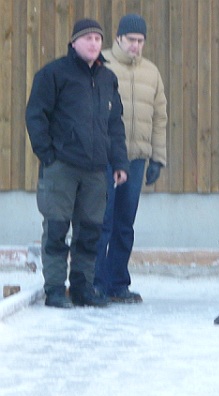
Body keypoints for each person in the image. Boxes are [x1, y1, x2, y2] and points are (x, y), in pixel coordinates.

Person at [25, 19, 129, 308]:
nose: (94, 43)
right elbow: (36, 116)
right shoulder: (53, 74)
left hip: (96, 170)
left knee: (90, 232)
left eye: (98, 38)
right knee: (57, 230)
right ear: (73, 42)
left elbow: (115, 124)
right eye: (87, 38)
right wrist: (48, 155)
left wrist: (119, 162)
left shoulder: (108, 78)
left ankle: (83, 289)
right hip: (62, 166)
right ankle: (55, 290)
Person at [94, 14, 168, 303]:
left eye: (140, 41)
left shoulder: (151, 72)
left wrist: (157, 158)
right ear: (119, 38)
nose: (136, 46)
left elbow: (159, 117)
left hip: (136, 157)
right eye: (131, 40)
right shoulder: (101, 64)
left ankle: (117, 283)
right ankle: (95, 283)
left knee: (125, 223)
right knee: (102, 220)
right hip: (105, 157)